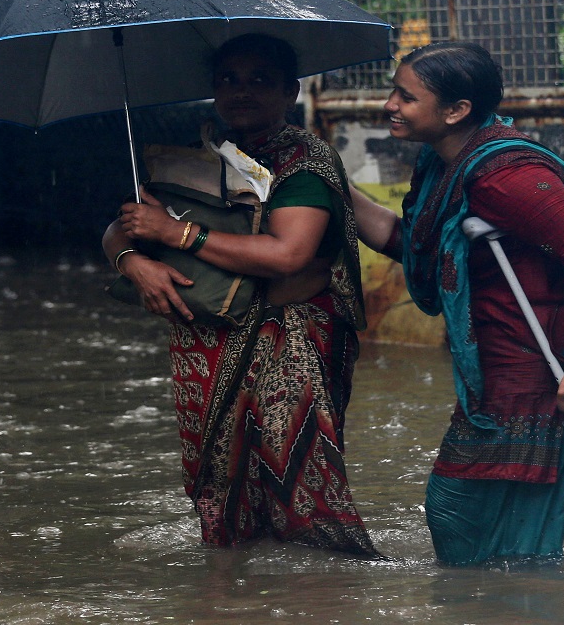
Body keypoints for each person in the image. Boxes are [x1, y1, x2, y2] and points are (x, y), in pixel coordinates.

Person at [350, 41, 564, 566]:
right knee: (474, 514)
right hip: (497, 365)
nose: (390, 104)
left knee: (458, 505)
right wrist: (336, 187)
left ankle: (512, 603)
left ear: (457, 111)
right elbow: (413, 244)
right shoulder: (443, 165)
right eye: (394, 91)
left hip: (536, 369)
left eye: (406, 97)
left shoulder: (502, 176)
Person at [103, 34, 379, 557]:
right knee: (220, 490)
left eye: (259, 81)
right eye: (228, 79)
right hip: (205, 343)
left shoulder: (304, 163)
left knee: (298, 476)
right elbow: (123, 226)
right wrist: (132, 260)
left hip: (289, 339)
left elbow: (289, 255)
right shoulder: (197, 152)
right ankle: (234, 596)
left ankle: (328, 594)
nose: (241, 92)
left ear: (290, 92)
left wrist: (178, 236)